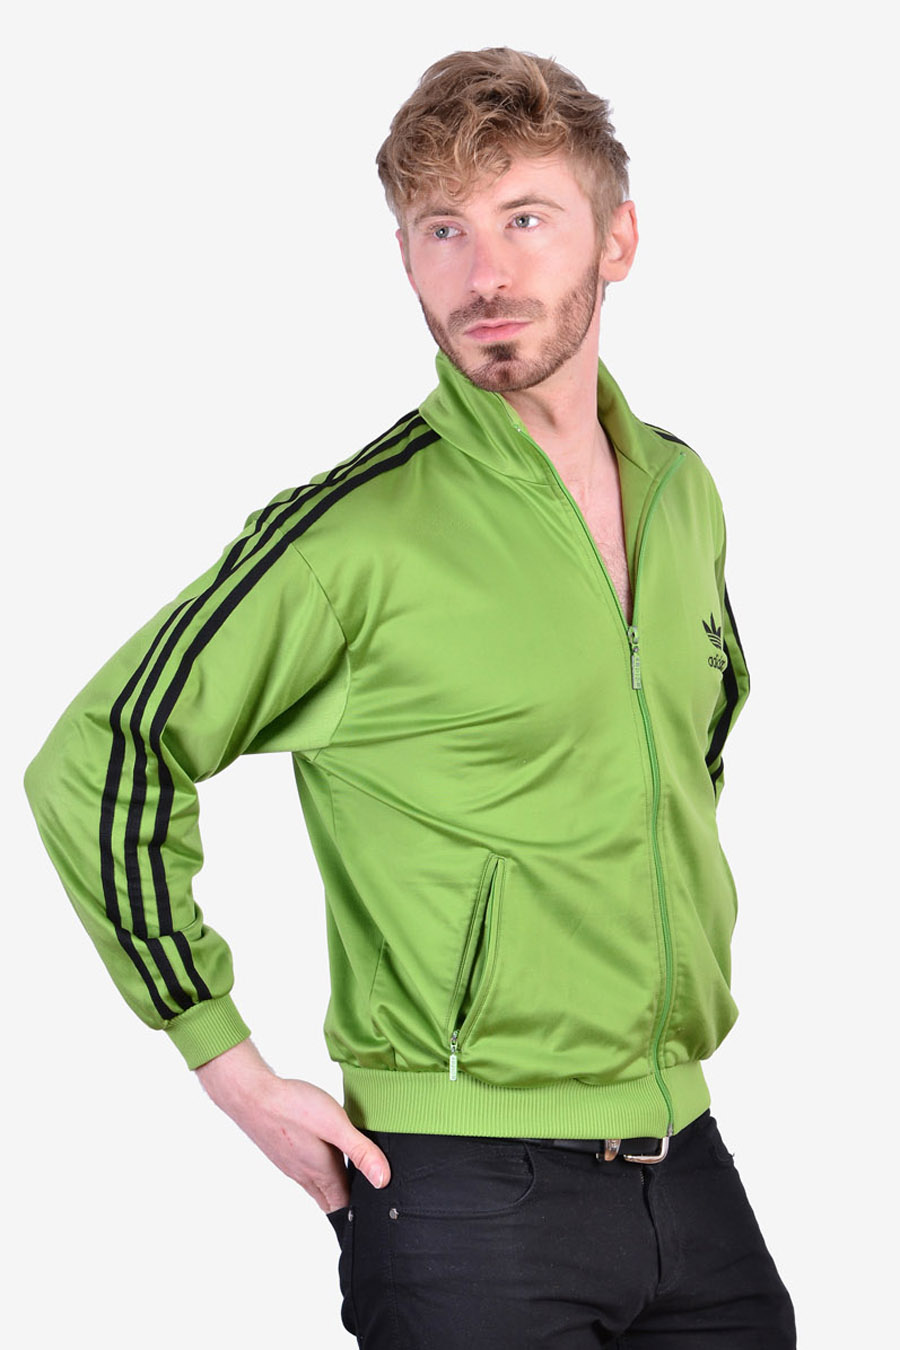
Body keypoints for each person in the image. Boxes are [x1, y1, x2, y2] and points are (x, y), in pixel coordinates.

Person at [25, 46, 795, 1348]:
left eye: (524, 218)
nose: (482, 271)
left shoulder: (681, 491)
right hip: (463, 1189)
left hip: (690, 1159)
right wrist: (224, 1058)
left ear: (617, 239)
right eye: (442, 229)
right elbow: (100, 755)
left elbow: (683, 749)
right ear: (405, 257)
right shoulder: (353, 537)